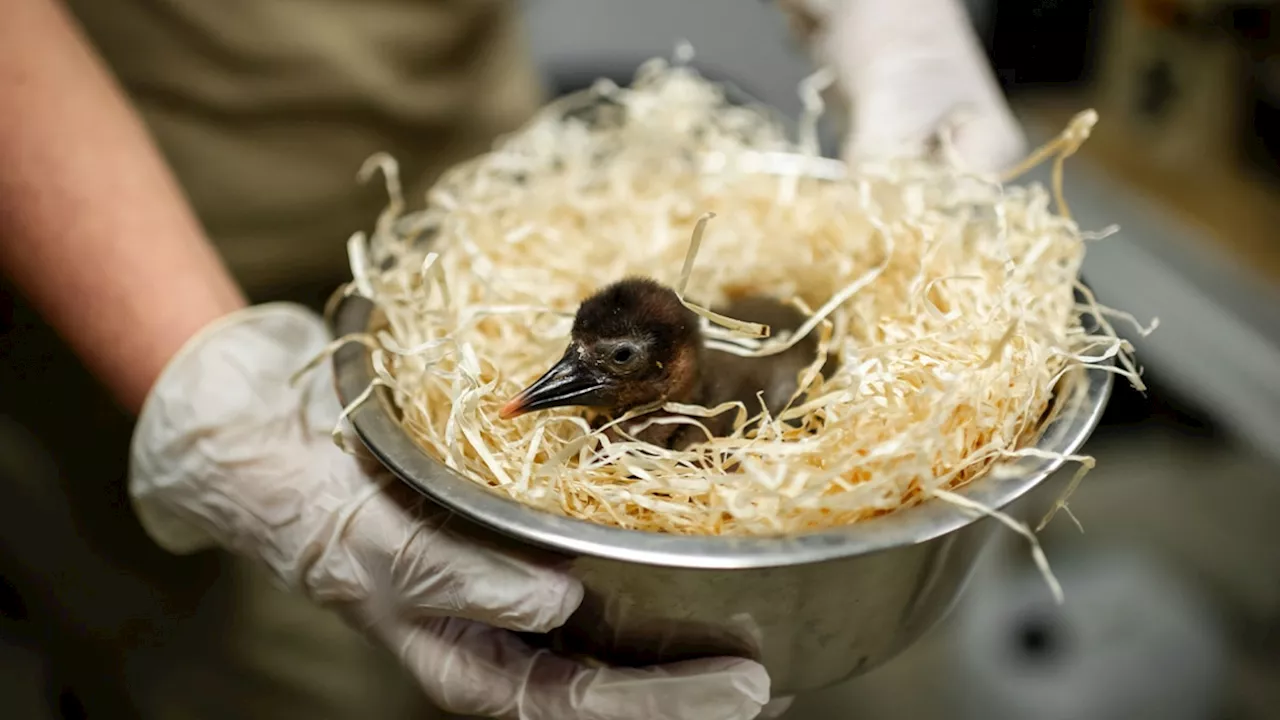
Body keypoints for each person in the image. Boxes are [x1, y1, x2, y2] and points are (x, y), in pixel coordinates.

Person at [0, 0, 1024, 718]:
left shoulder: (730, 387)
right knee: (276, 685)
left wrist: (884, 17)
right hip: (116, 244)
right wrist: (207, 392)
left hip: (456, 167)